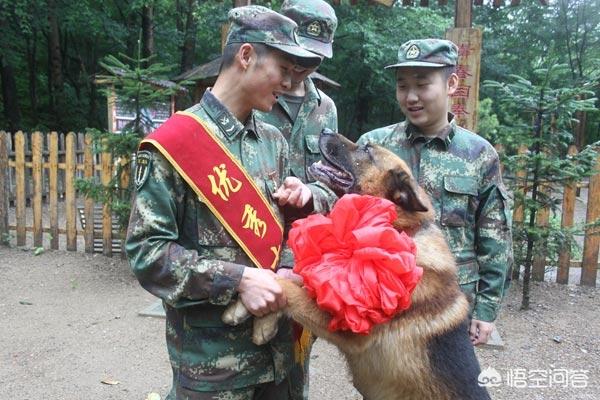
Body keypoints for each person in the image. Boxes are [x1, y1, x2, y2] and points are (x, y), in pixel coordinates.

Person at [125, 6, 325, 400]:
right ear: (246, 56)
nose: (289, 83)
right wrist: (239, 279)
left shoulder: (274, 142)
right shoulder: (174, 144)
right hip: (213, 366)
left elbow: (291, 231)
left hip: (282, 358)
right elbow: (148, 253)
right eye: (283, 69)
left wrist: (285, 270)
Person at [357, 38, 513, 346]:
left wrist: (487, 308)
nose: (411, 96)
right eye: (402, 86)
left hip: (451, 305)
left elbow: (495, 238)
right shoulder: (374, 148)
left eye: (423, 84)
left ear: (451, 83)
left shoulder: (479, 154)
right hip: (385, 299)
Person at [254, 1, 338, 399]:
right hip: (251, 245)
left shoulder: (325, 109)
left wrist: (311, 193)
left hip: (305, 258)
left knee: (293, 364)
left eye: (316, 58)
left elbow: (335, 184)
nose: (305, 66)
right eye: (299, 53)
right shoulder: (256, 93)